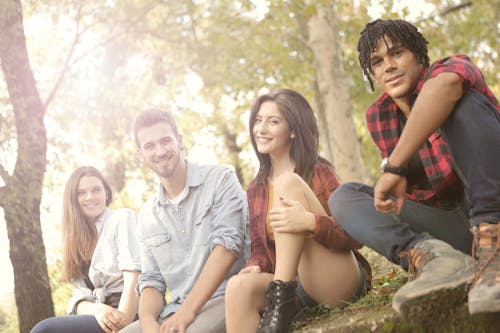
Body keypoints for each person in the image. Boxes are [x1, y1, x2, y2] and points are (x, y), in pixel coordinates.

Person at [329, 18, 500, 321]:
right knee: (344, 197)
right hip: (459, 230)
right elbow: (417, 196)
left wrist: (393, 166)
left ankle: (493, 246)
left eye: (397, 53)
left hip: (490, 211)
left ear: (419, 55)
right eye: (377, 62)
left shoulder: (451, 69)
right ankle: (436, 259)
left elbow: (446, 86)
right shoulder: (380, 115)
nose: (388, 66)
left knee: (464, 103)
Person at [225, 89, 372, 333]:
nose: (261, 129)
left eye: (273, 121)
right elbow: (261, 248)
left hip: (335, 280)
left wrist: (310, 223)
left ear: (292, 130)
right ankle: (280, 301)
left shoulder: (319, 172)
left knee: (287, 183)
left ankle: (280, 303)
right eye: (258, 120)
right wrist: (256, 264)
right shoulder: (256, 188)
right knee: (238, 286)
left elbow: (355, 236)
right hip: (296, 290)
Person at [120, 109, 248, 333]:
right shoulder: (147, 215)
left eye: (165, 141)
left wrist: (186, 314)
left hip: (225, 298)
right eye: (149, 146)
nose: (160, 151)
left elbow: (228, 247)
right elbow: (152, 281)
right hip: (174, 310)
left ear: (180, 141)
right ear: (140, 154)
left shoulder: (221, 180)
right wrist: (149, 323)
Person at [31, 166, 141, 333]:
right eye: (81, 193)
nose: (89, 197)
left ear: (106, 193)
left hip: (130, 311)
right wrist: (97, 310)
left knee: (45, 330)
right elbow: (80, 297)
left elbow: (134, 277)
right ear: (73, 199)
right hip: (98, 314)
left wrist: (122, 322)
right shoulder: (74, 240)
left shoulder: (122, 219)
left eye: (96, 190)